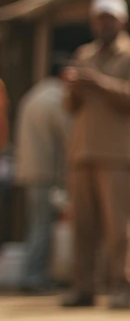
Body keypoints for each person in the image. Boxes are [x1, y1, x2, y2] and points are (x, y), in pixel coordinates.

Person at [62, 0, 130, 310]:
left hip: (119, 153)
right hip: (83, 152)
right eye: (98, 18)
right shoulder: (83, 54)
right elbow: (70, 107)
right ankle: (84, 287)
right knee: (83, 226)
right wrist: (74, 89)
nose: (103, 24)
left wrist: (99, 83)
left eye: (109, 18)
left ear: (123, 21)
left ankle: (122, 286)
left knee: (120, 227)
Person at [13, 60, 70, 293]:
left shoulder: (33, 95)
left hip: (28, 169)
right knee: (42, 225)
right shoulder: (56, 98)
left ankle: (32, 274)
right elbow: (68, 135)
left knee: (35, 223)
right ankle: (34, 277)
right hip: (44, 171)